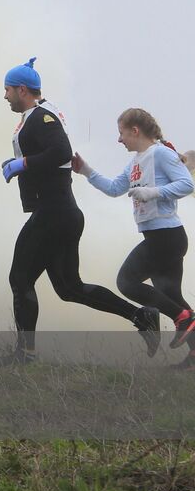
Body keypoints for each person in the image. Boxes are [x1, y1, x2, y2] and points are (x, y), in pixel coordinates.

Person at [0, 58, 157, 363]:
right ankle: (142, 316)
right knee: (70, 288)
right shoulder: (37, 115)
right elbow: (49, 156)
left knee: (20, 279)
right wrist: (18, 164)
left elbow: (60, 152)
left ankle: (25, 354)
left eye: (6, 90)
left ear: (21, 89)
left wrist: (23, 164)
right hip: (62, 212)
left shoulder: (42, 117)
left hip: (54, 212)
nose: (4, 97)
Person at [71, 107, 194, 365]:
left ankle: (183, 318)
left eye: (121, 133)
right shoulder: (136, 161)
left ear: (135, 130)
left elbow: (187, 183)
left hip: (166, 236)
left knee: (126, 281)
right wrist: (87, 171)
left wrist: (153, 192)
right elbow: (115, 188)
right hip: (159, 236)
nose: (119, 140)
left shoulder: (160, 153)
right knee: (170, 293)